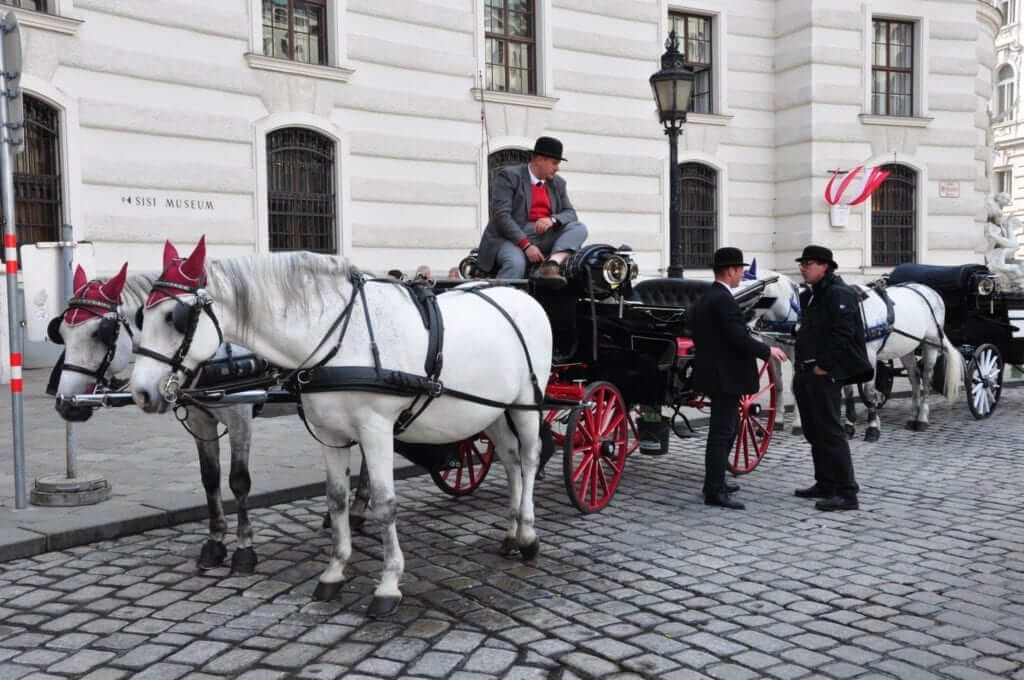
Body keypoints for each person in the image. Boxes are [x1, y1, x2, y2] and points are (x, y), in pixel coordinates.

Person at [692, 247, 789, 510]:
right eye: (740, 269)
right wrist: (768, 349)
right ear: (731, 271)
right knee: (721, 433)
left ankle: (718, 482)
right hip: (724, 376)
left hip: (716, 374)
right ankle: (714, 490)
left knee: (727, 428)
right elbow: (738, 337)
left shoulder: (708, 297)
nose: (743, 274)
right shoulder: (722, 300)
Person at [792, 245, 873, 511]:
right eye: (802, 263)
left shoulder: (839, 293)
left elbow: (843, 333)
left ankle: (847, 492)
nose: (803, 267)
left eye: (809, 263)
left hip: (824, 373)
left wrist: (824, 365)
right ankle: (825, 482)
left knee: (830, 431)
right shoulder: (813, 294)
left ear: (825, 266)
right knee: (814, 430)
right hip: (806, 371)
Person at [476, 136, 588, 288]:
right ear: (539, 160)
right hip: (509, 237)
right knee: (515, 264)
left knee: (579, 228)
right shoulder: (509, 176)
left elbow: (570, 213)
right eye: (554, 163)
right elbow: (502, 217)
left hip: (543, 234)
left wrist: (552, 220)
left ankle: (551, 265)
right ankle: (499, 303)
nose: (558, 168)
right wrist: (527, 246)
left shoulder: (558, 183)